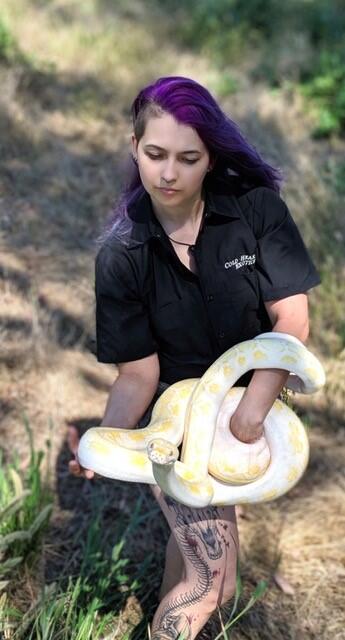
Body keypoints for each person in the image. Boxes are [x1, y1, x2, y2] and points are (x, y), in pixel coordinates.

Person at [68, 76, 320, 639]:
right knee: (215, 583)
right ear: (134, 148)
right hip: (175, 423)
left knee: (193, 561)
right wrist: (106, 442)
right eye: (155, 154)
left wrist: (251, 412)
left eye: (188, 158)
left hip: (248, 408)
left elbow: (292, 322)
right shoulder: (122, 254)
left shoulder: (256, 211)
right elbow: (139, 373)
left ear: (211, 158)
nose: (168, 173)